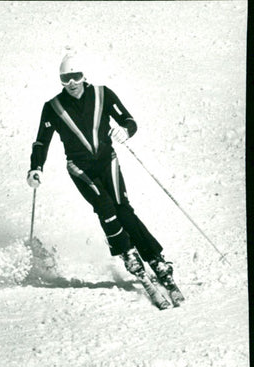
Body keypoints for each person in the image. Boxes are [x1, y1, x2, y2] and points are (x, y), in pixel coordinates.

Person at [26, 53, 178, 292]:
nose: (72, 83)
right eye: (66, 79)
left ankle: (156, 259)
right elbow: (41, 142)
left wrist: (126, 131)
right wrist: (36, 167)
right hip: (80, 168)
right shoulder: (53, 107)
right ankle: (127, 252)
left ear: (84, 75)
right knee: (105, 206)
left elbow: (129, 120)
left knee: (124, 210)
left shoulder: (102, 94)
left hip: (108, 161)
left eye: (75, 76)